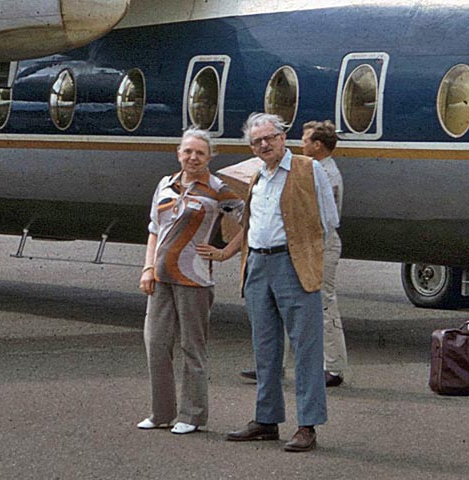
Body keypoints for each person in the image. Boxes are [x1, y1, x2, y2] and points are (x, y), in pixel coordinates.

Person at [209, 113, 338, 452]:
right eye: (256, 142)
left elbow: (329, 220)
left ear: (284, 137)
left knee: (306, 349)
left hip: (292, 264)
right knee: (264, 348)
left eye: (269, 138)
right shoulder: (259, 176)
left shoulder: (309, 170)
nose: (264, 145)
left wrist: (304, 253)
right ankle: (266, 420)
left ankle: (307, 426)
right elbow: (251, 223)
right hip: (257, 264)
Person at [137, 127, 244, 435]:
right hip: (161, 276)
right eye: (188, 151)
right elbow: (154, 229)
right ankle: (161, 413)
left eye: (200, 153)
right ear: (178, 153)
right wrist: (147, 268)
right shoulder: (165, 184)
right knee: (156, 344)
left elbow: (252, 220)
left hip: (195, 278)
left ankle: (193, 415)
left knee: (191, 348)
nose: (193, 157)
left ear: (209, 157)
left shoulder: (218, 189)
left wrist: (224, 253)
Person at [301, 120, 347, 387]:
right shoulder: (320, 169)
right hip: (316, 243)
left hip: (322, 244)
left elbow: (321, 217)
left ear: (317, 145)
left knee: (325, 303)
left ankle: (333, 367)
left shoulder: (324, 174)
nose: (302, 144)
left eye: (306, 140)